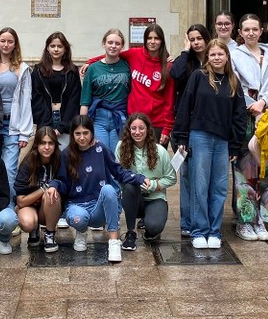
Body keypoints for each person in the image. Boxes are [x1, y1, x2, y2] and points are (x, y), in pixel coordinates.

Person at [171, 40, 246, 250]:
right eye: (212, 55)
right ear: (208, 57)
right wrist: (182, 137)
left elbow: (239, 115)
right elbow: (185, 106)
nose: (216, 58)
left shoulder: (233, 81)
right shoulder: (199, 77)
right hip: (199, 137)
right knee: (199, 186)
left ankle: (214, 230)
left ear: (227, 56)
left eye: (220, 54)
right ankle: (199, 230)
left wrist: (235, 145)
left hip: (222, 141)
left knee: (219, 188)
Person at [53, 115, 145, 264]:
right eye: (78, 133)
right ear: (72, 134)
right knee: (80, 218)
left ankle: (114, 242)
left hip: (98, 208)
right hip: (77, 206)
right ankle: (81, 233)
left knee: (109, 189)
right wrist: (53, 186)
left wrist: (139, 178)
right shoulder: (66, 154)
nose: (82, 137)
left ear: (92, 133)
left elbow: (119, 172)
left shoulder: (101, 149)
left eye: (85, 133)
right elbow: (62, 181)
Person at [230, 14, 268, 242]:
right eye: (246, 30)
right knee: (245, 171)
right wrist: (253, 105)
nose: (251, 33)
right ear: (240, 33)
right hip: (245, 119)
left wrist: (263, 102)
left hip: (267, 119)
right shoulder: (234, 55)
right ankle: (245, 220)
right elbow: (234, 85)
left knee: (266, 170)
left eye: (255, 29)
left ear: (261, 31)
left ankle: (261, 219)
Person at [86, 23, 175, 144]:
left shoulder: (168, 66)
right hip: (133, 121)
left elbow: (169, 101)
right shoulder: (134, 54)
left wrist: (167, 129)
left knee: (154, 161)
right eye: (149, 38)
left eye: (156, 38)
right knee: (132, 160)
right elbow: (112, 54)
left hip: (156, 124)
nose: (152, 41)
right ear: (144, 40)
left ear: (162, 41)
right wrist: (90, 61)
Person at [169, 23, 209, 239]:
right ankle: (186, 221)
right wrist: (184, 51)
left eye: (199, 38)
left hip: (207, 125)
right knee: (186, 175)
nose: (196, 43)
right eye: (192, 39)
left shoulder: (215, 58)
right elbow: (175, 74)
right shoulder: (185, 61)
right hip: (183, 126)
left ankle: (201, 219)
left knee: (203, 177)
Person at [0, 28, 33, 204]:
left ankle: (9, 208)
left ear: (15, 44)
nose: (6, 44)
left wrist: (24, 132)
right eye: (2, 41)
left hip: (13, 125)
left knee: (9, 168)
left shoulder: (22, 68)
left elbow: (26, 100)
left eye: (9, 41)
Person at [117, 113, 176, 250]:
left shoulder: (160, 151)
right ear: (128, 130)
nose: (137, 132)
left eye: (141, 128)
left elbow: (171, 177)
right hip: (132, 197)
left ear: (148, 129)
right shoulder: (121, 147)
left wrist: (154, 185)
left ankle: (151, 228)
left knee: (154, 226)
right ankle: (131, 233)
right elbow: (118, 174)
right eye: (133, 128)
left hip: (155, 197)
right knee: (130, 187)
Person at [80, 29, 131, 154]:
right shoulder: (93, 69)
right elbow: (85, 100)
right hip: (99, 118)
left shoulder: (127, 65)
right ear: (104, 44)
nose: (113, 46)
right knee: (100, 154)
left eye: (117, 44)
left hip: (120, 117)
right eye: (110, 42)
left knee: (117, 157)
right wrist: (83, 127)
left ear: (122, 46)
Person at [14, 127, 62, 253]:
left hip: (50, 206)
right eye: (43, 143)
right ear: (36, 145)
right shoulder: (28, 162)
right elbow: (20, 201)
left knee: (52, 193)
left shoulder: (60, 159)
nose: (46, 147)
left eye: (50, 143)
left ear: (55, 145)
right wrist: (43, 189)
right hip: (28, 204)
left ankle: (49, 234)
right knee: (28, 222)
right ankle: (33, 229)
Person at [31, 31, 81, 148]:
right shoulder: (38, 70)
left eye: (60, 46)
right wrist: (46, 125)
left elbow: (74, 100)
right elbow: (36, 98)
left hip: (65, 120)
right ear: (47, 48)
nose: (56, 49)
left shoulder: (72, 71)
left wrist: (62, 127)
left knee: (64, 156)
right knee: (46, 153)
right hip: (45, 119)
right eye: (52, 46)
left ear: (65, 49)